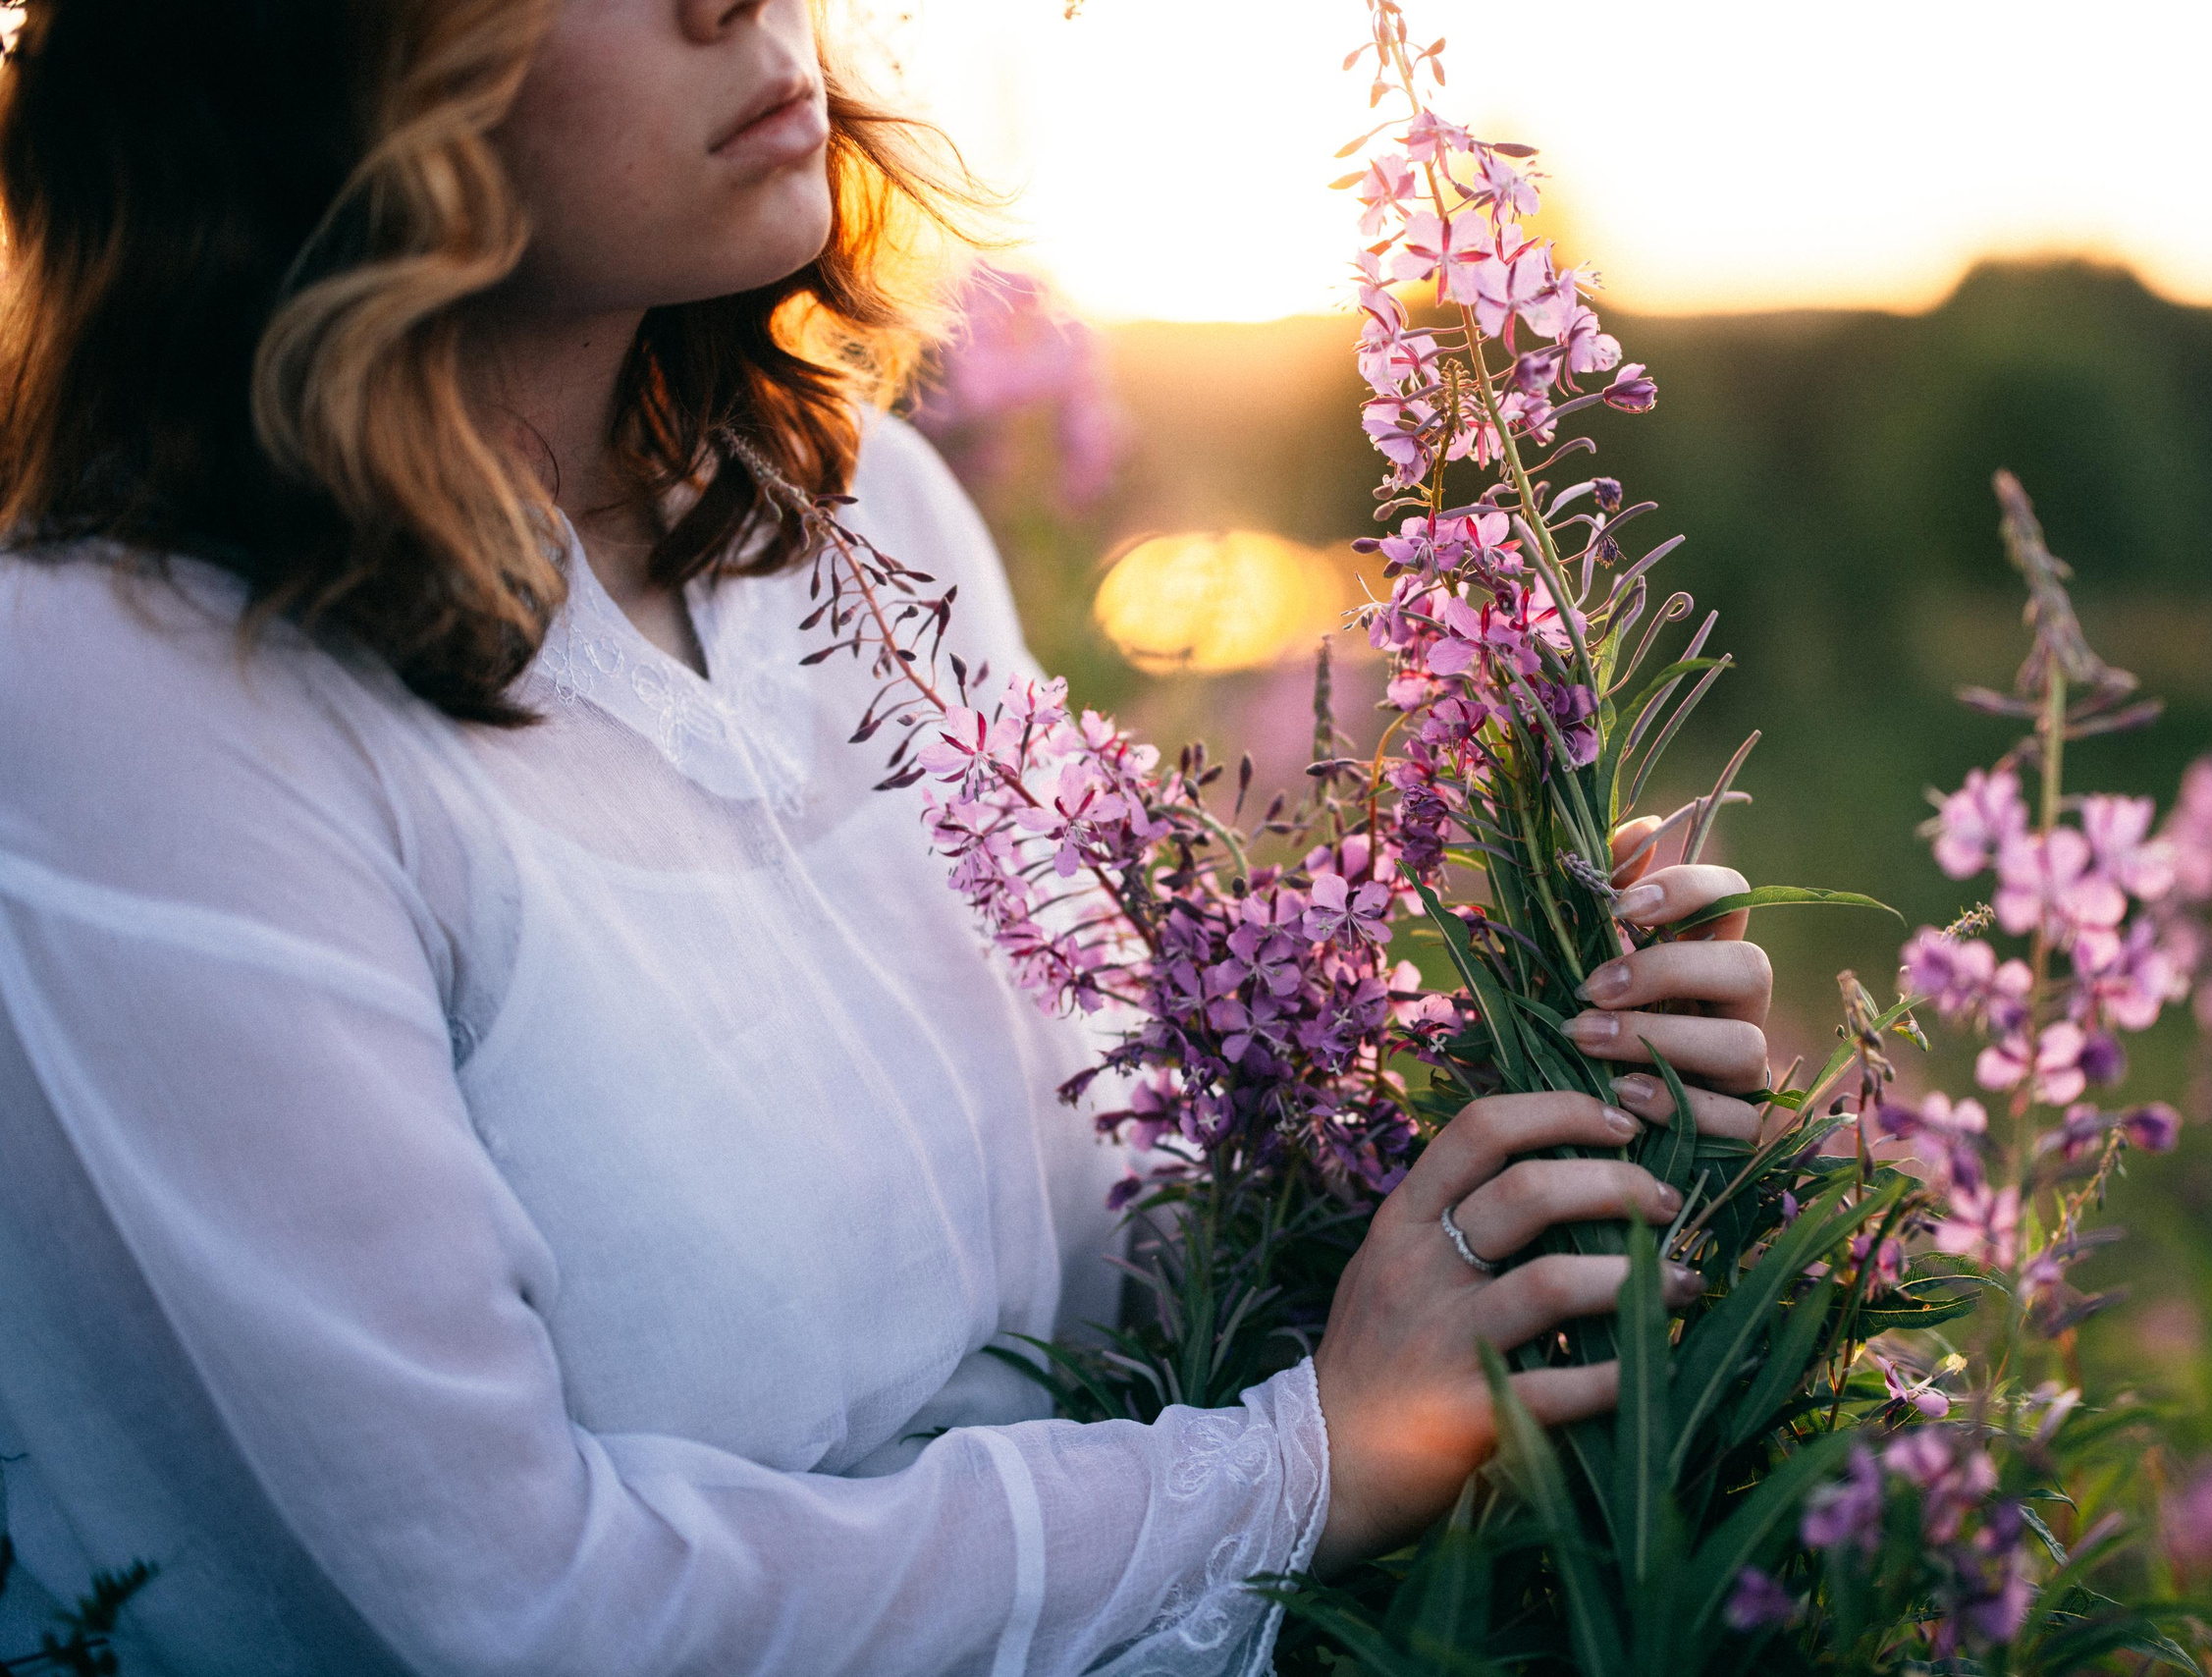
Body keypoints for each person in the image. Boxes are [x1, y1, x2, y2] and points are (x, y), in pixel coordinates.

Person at [0, 3, 1778, 1672]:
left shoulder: (856, 513)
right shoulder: (128, 688)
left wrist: (1525, 1100)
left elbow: (1125, 1258)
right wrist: (1295, 1471)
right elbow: (520, 1612)